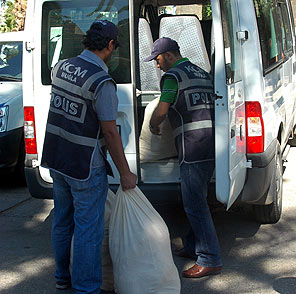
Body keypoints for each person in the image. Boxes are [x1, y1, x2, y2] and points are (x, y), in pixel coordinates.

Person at [41, 20, 137, 294]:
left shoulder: (60, 67)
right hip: (84, 165)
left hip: (57, 159)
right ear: (110, 46)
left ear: (86, 42)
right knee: (88, 231)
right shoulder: (102, 82)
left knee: (62, 220)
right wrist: (126, 173)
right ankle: (86, 289)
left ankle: (62, 278)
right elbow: (109, 132)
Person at [145, 37, 222, 278]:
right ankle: (192, 245)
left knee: (194, 203)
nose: (156, 65)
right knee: (198, 198)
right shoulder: (200, 72)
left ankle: (210, 258)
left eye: (157, 60)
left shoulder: (172, 77)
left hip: (192, 147)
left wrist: (153, 124)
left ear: (168, 55)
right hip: (211, 145)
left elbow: (162, 109)